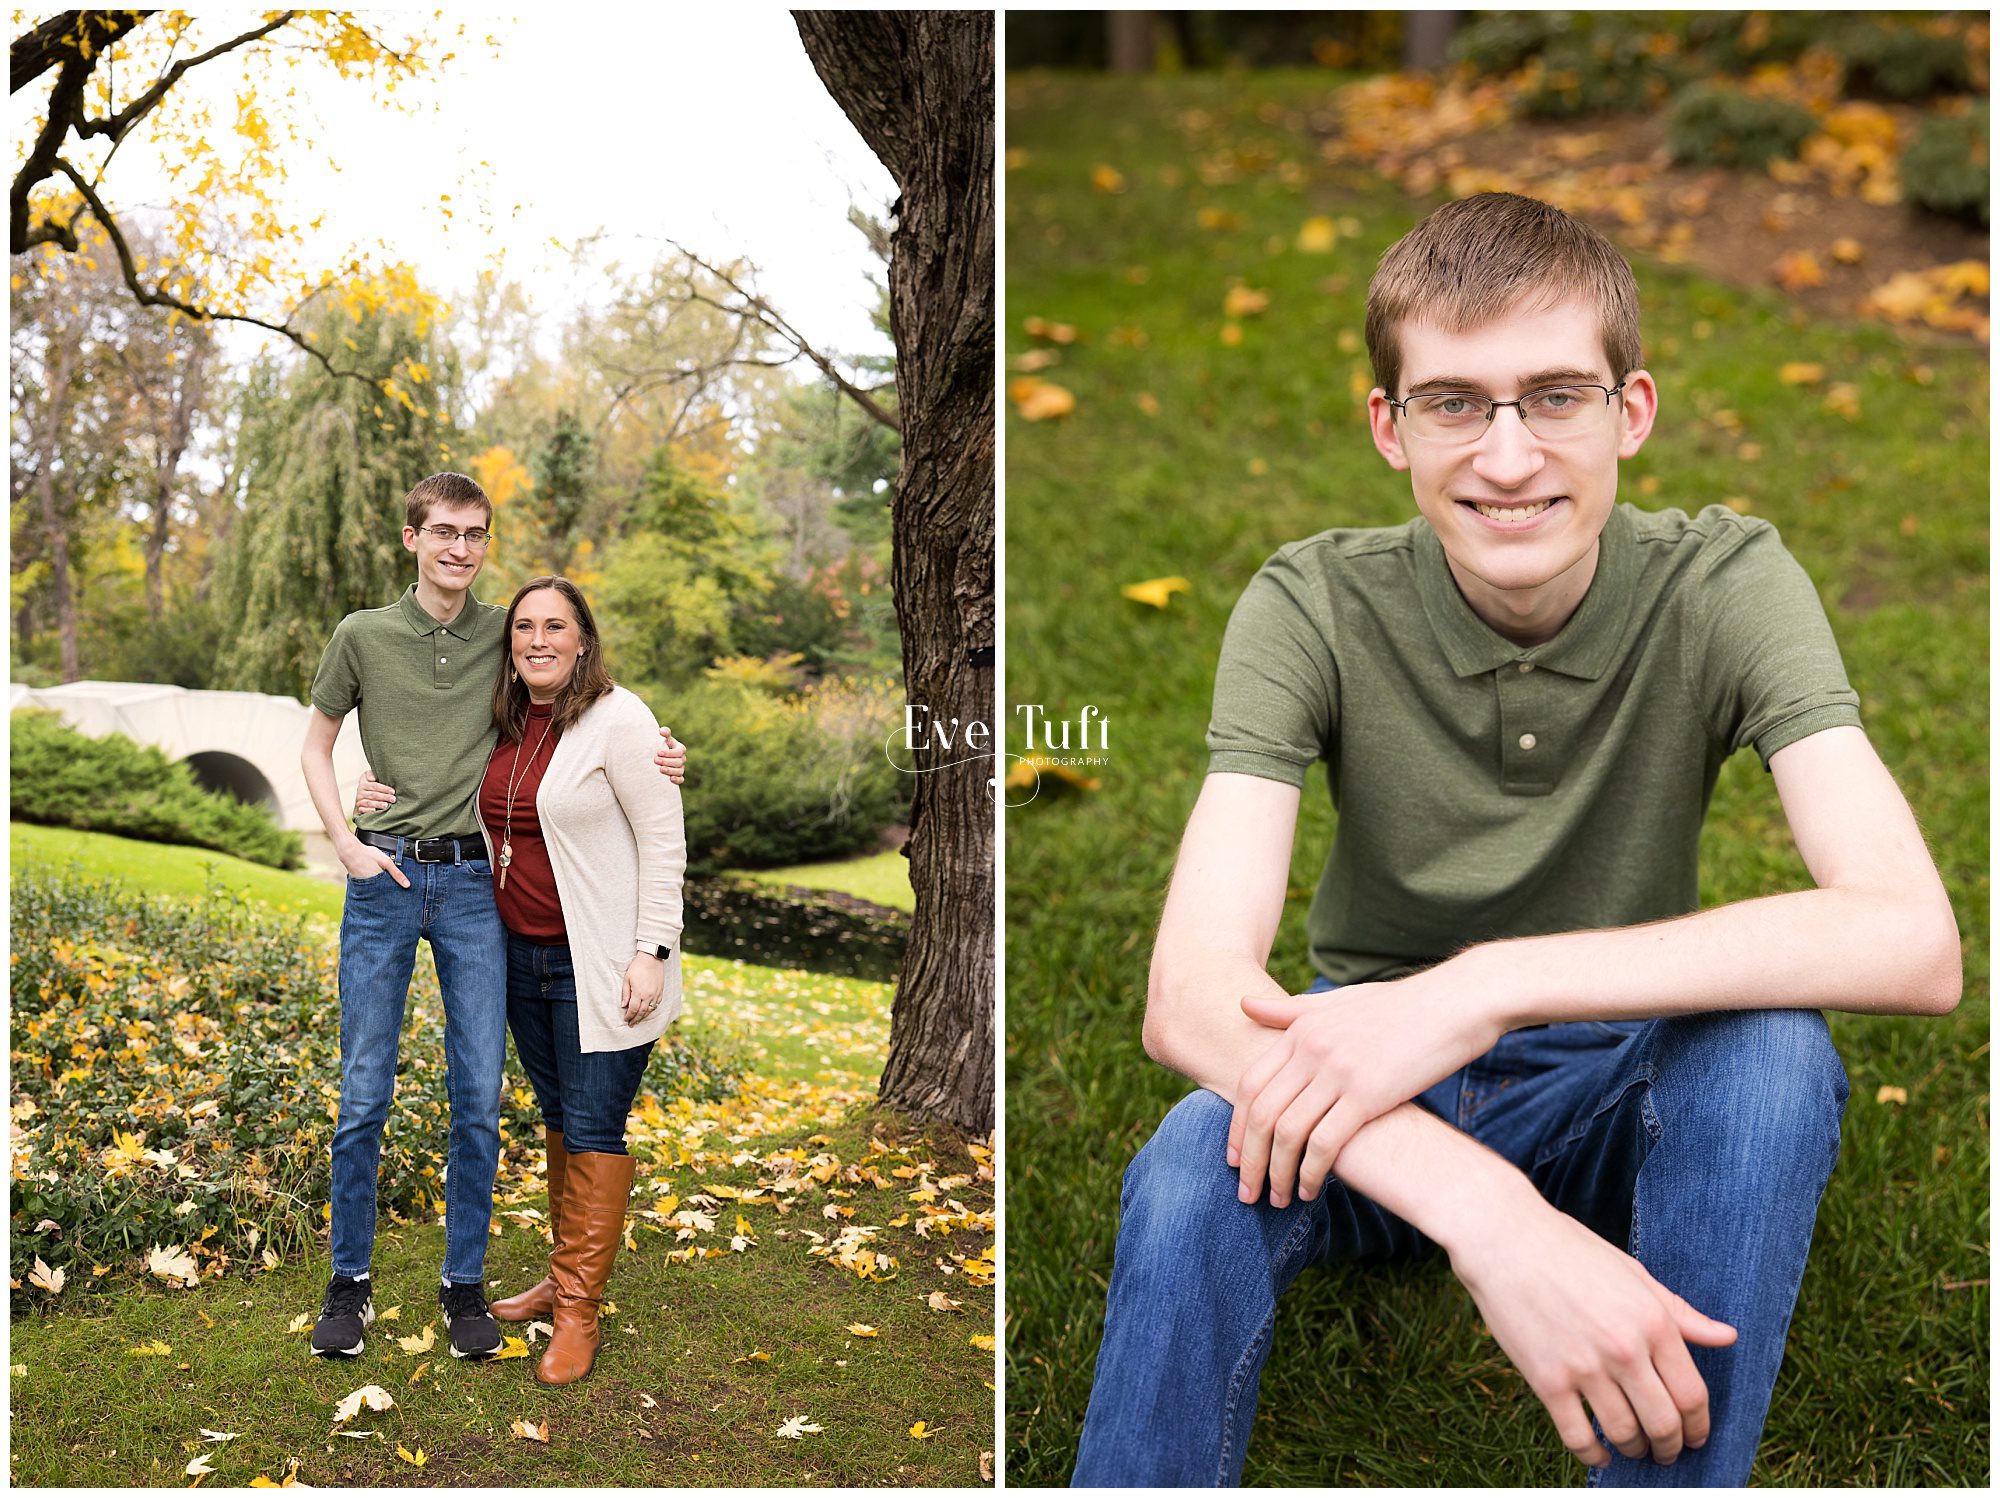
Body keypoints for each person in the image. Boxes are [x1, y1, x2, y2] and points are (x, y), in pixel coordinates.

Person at [1071, 193, 1960, 1486]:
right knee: (1185, 1168)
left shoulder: (1728, 582)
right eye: (1453, 401)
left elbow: (1911, 936)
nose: (1507, 455)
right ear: (1390, 426)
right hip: (1363, 1075)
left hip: (1617, 1086)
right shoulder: (1309, 599)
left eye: (1555, 396)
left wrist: (1484, 986)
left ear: (1630, 411)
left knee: (1770, 1055)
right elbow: (1193, 998)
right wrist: (1484, 1209)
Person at [299, 473, 686, 1362]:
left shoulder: (506, 634)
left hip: (477, 891)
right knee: (364, 1094)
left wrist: (664, 752)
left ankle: (463, 1284)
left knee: (477, 1098)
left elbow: (596, 715)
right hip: (384, 878)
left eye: (474, 534)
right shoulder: (362, 635)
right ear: (411, 539)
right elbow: (317, 745)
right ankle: (348, 1284)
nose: (459, 549)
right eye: (442, 533)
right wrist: (348, 839)